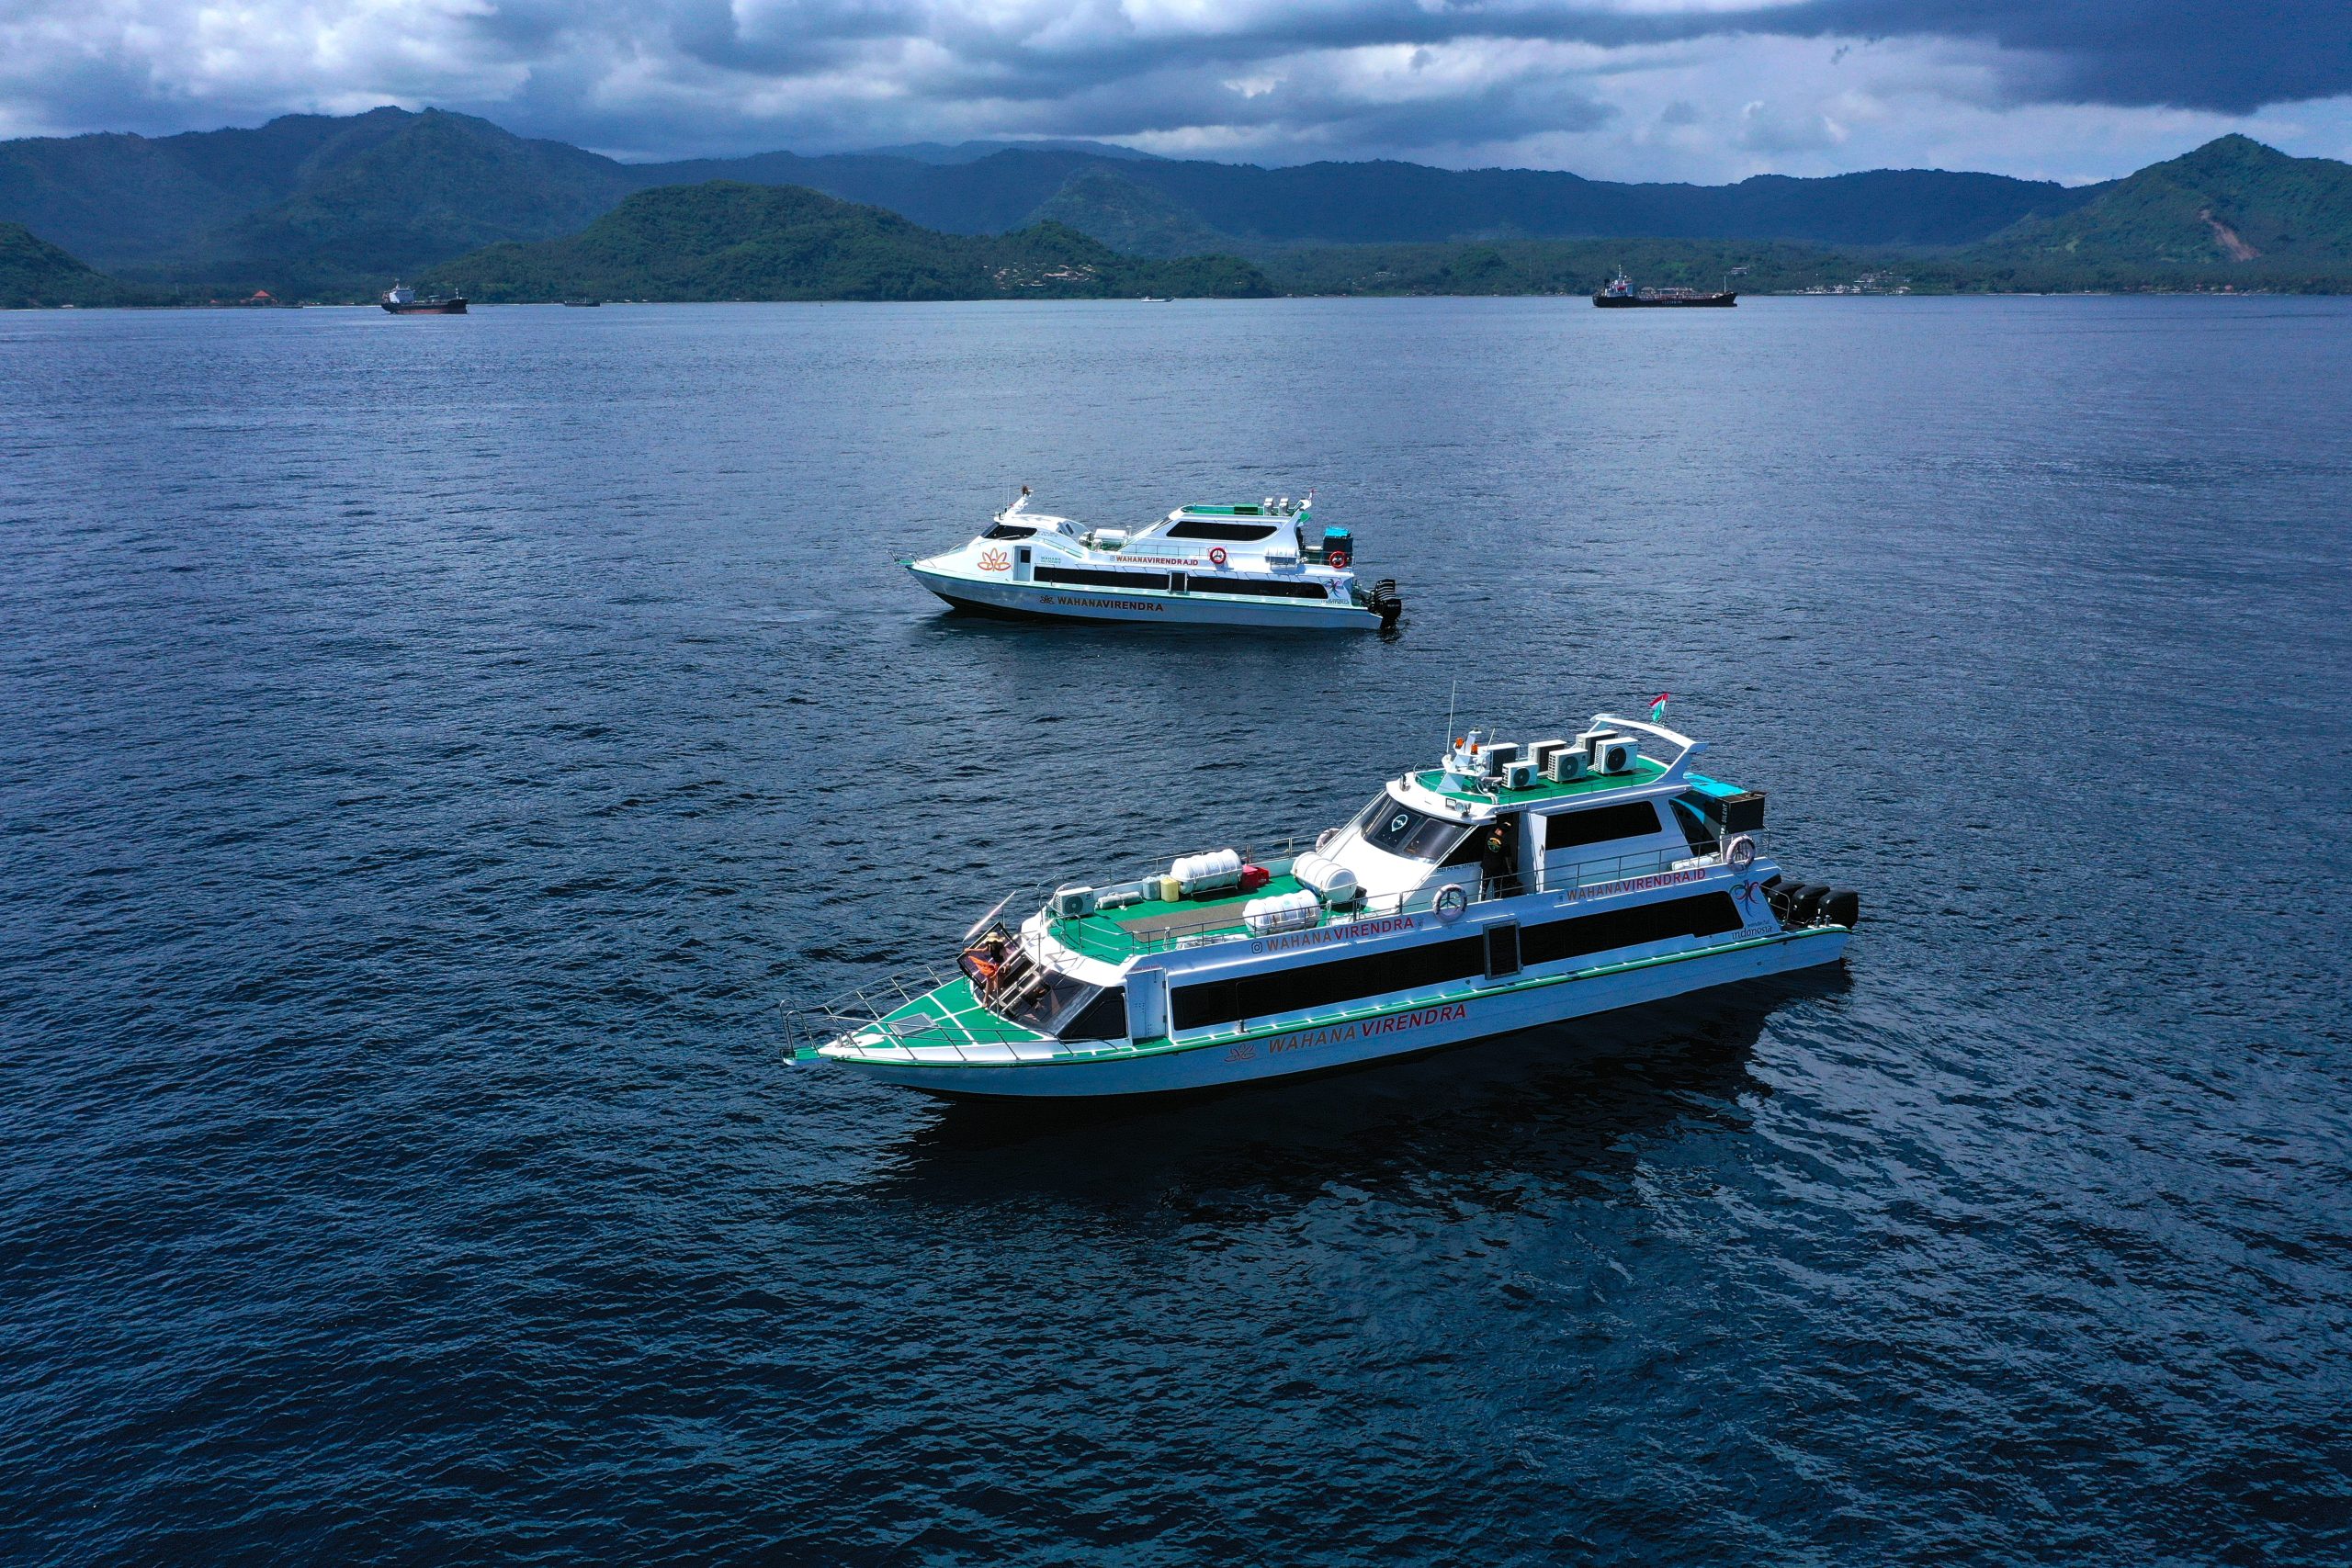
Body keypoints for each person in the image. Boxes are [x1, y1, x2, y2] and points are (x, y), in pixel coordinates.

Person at [1480, 818, 1520, 899]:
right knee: (1497, 888)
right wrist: (1509, 869)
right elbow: (1507, 858)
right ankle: (1497, 902)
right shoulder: (1505, 843)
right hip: (1498, 869)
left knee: (1483, 888)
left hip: (1486, 866)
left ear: (1498, 829)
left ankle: (1481, 901)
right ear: (1505, 833)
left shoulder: (1489, 835)